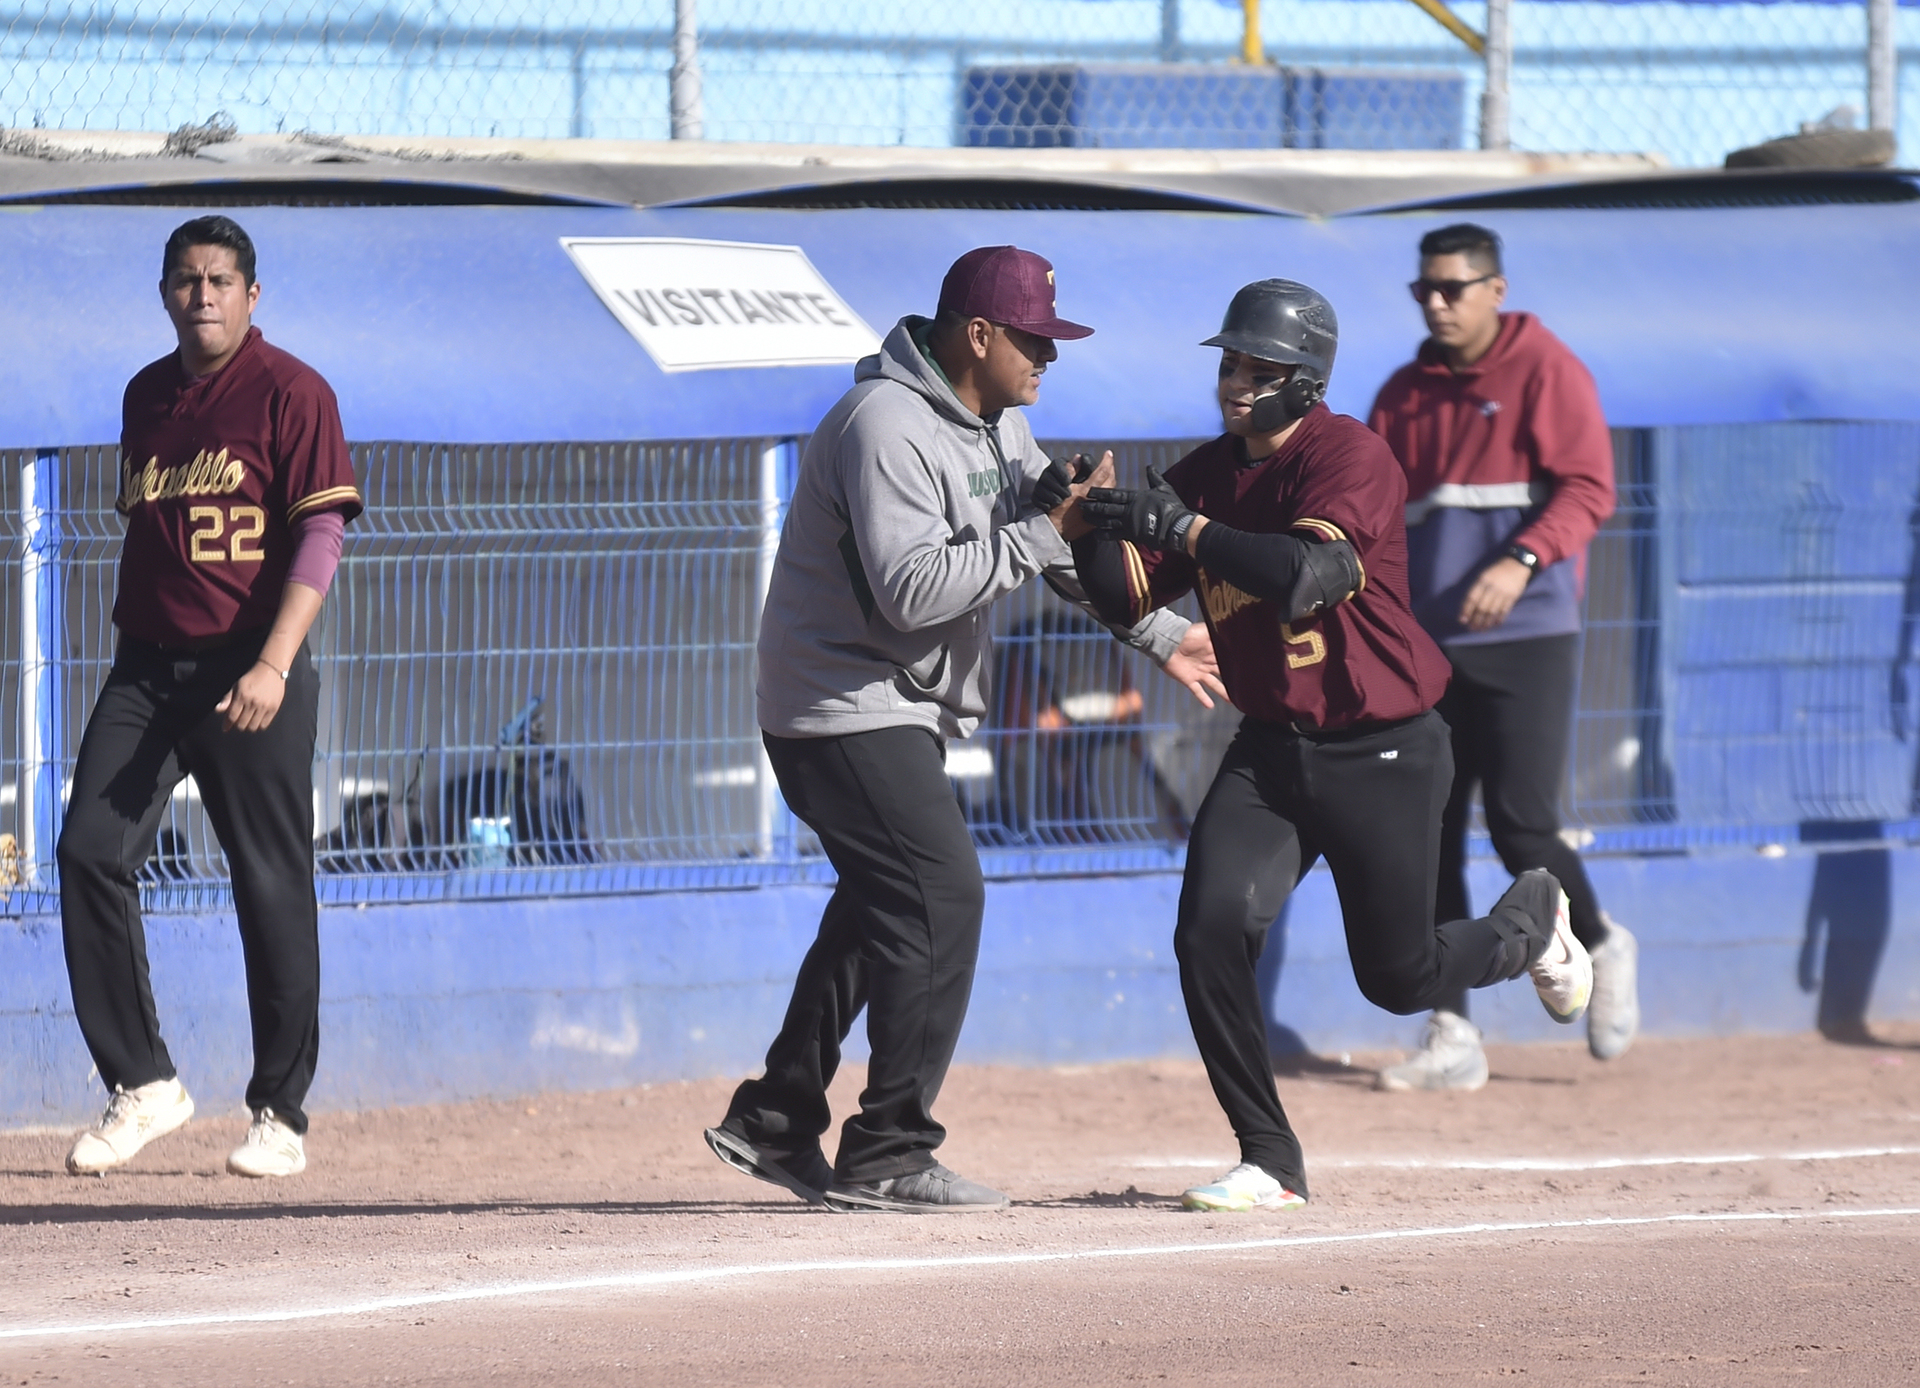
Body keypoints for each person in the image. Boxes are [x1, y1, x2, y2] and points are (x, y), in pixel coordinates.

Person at [702, 246, 1221, 1212]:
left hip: (895, 702)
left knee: (878, 911)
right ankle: (888, 1149)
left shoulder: (998, 420)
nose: (1048, 360)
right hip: (838, 703)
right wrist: (1042, 530)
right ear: (977, 335)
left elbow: (1054, 548)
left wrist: (1161, 633)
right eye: (1035, 340)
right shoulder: (885, 426)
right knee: (943, 894)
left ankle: (775, 1117)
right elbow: (911, 592)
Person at [1074, 278, 1592, 1213]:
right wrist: (1086, 530)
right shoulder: (1206, 473)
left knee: (1401, 980)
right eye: (1230, 361)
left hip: (1382, 746)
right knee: (1208, 933)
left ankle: (1530, 927)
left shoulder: (1349, 455)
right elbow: (1125, 599)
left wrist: (1185, 528)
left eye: (1261, 368)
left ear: (1306, 382)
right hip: (1270, 750)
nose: (1237, 381)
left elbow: (1308, 575)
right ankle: (1268, 1158)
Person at [58, 215, 362, 1179]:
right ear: (164, 293)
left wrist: (274, 661)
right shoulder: (145, 395)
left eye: (222, 279)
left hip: (249, 663)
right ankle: (144, 1082)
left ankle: (281, 1112)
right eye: (187, 279)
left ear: (252, 295)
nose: (204, 295)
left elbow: (320, 541)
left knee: (268, 878)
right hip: (147, 668)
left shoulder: (293, 392)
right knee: (86, 851)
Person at [1368, 224, 1639, 1092]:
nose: (1438, 303)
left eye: (1454, 288)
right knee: (1428, 832)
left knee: (1522, 824)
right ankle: (1452, 1033)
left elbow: (1590, 488)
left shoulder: (1548, 370)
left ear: (1496, 289)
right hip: (1428, 650)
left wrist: (1519, 561)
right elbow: (1368, 516)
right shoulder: (1402, 394)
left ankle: (1598, 943)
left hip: (1528, 637)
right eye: (1425, 290)